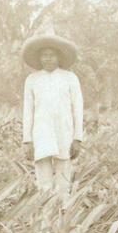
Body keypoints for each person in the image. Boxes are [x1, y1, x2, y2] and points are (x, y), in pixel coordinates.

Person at [21, 26, 84, 203]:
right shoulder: (32, 80)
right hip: (40, 133)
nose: (48, 59)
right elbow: (28, 111)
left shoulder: (70, 78)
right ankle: (45, 219)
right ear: (40, 57)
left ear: (59, 56)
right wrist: (27, 140)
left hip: (64, 132)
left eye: (52, 55)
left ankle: (63, 213)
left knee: (63, 181)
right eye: (44, 55)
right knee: (43, 182)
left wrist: (77, 138)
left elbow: (77, 109)